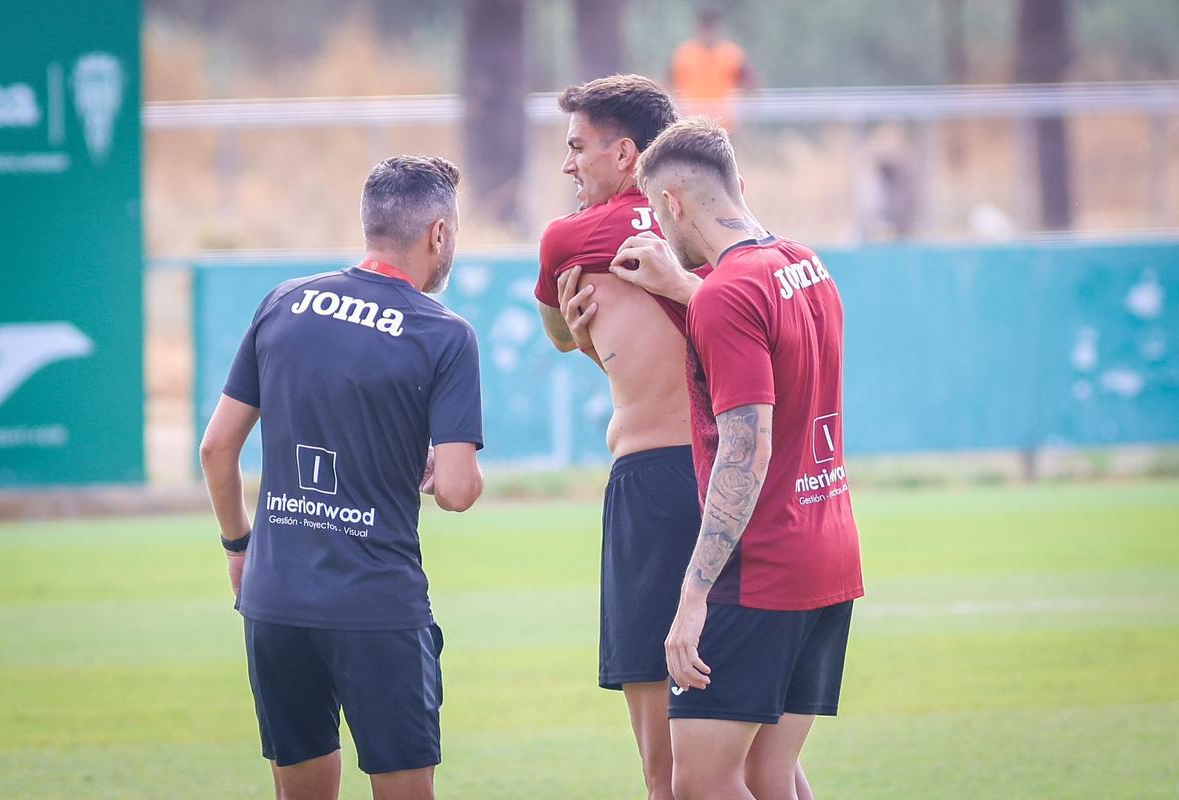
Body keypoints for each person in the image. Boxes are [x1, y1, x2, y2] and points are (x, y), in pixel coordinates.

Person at [535, 74, 810, 800]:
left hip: (657, 486)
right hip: (742, 485)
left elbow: (560, 330)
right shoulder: (726, 235)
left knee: (670, 772)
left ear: (626, 154)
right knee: (764, 762)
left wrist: (569, 321)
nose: (569, 166)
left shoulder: (571, 237)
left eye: (577, 149)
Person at [200, 155, 483, 800]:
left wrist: (240, 548)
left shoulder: (284, 302)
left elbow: (217, 447)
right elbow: (460, 492)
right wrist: (444, 469)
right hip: (374, 604)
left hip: (275, 600)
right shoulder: (443, 334)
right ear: (438, 232)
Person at [611, 118, 864, 800]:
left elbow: (745, 454)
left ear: (672, 205)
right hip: (830, 553)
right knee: (766, 773)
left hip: (761, 573)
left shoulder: (726, 295)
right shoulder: (805, 264)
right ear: (738, 189)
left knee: (700, 782)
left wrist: (692, 595)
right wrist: (688, 292)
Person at [668, 8, 756, 128]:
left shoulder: (731, 54)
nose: (708, 33)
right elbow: (667, 83)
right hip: (692, 124)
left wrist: (738, 106)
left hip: (724, 125)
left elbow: (750, 83)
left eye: (711, 28)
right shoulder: (685, 54)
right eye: (705, 28)